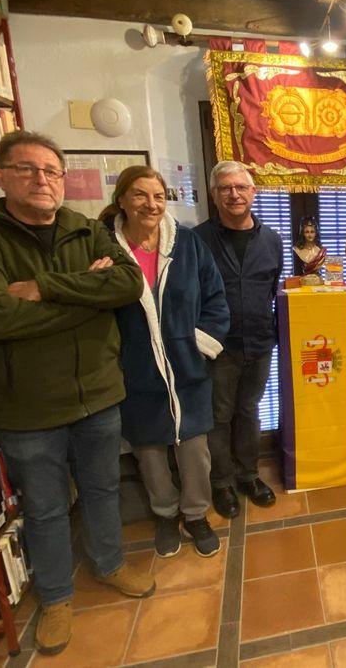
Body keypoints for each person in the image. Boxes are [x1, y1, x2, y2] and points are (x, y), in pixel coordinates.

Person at [0, 131, 151, 656]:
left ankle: (109, 563)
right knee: (44, 506)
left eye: (51, 171)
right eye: (26, 169)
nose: (41, 180)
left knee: (103, 488)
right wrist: (87, 293)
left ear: (63, 179)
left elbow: (127, 286)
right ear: (1, 176)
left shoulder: (85, 228)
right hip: (29, 404)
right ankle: (58, 596)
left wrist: (46, 288)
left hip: (98, 393)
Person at [99, 166, 230, 558]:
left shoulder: (187, 244)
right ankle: (164, 513)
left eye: (158, 196)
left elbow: (215, 299)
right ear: (121, 199)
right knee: (150, 451)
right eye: (140, 195)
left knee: (195, 449)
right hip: (136, 369)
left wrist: (201, 345)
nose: (151, 204)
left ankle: (195, 514)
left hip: (187, 366)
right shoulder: (103, 248)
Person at [195, 161, 284, 519]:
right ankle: (222, 484)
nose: (234, 194)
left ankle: (249, 476)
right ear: (215, 195)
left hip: (260, 343)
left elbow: (272, 287)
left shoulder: (272, 239)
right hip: (217, 347)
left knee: (248, 412)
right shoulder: (197, 240)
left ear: (253, 192)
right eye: (225, 188)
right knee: (218, 417)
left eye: (241, 187)